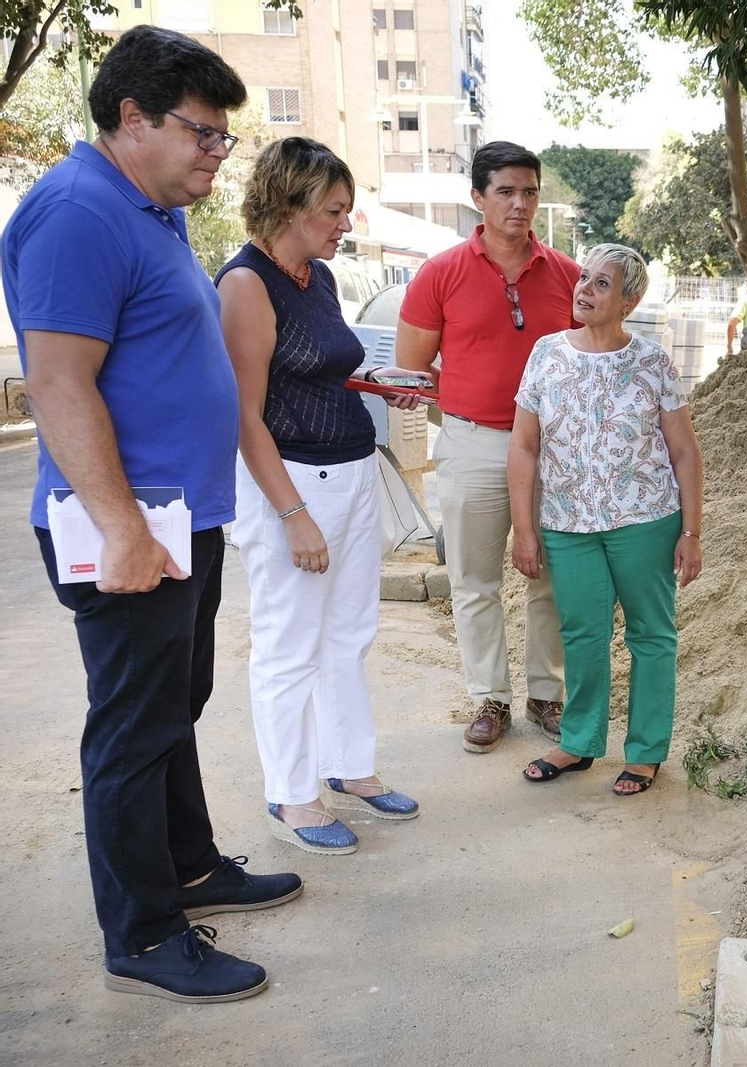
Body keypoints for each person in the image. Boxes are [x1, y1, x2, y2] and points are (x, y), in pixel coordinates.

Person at [0, 26, 298, 1002]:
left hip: (182, 518)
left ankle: (192, 862)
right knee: (132, 727)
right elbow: (57, 382)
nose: (217, 153)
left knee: (175, 704)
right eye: (202, 133)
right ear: (131, 117)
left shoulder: (152, 209)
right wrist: (121, 523)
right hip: (126, 526)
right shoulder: (77, 212)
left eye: (222, 139)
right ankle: (143, 927)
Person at [217, 137, 420, 857]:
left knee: (348, 633)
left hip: (354, 470)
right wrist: (292, 515)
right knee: (288, 643)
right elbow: (245, 415)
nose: (345, 224)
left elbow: (321, 371)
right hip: (292, 483)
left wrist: (376, 382)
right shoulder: (246, 285)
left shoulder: (318, 277)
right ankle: (293, 792)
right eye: (334, 210)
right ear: (289, 204)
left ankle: (351, 767)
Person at [396, 142, 576, 754]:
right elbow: (414, 371)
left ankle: (546, 695)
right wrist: (475, 418)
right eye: (505, 191)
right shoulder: (439, 273)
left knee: (552, 578)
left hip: (556, 452)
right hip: (472, 445)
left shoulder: (567, 276)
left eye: (529, 192)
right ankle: (489, 699)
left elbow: (588, 362)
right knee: (474, 580)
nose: (520, 204)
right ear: (478, 197)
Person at [509, 244, 705, 796]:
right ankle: (579, 742)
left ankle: (645, 752)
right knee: (582, 634)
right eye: (584, 278)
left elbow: (685, 451)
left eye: (601, 284)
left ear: (629, 300)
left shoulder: (652, 361)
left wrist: (692, 533)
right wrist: (525, 528)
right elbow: (524, 447)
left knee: (651, 635)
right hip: (568, 524)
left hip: (645, 519)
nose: (584, 290)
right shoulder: (546, 354)